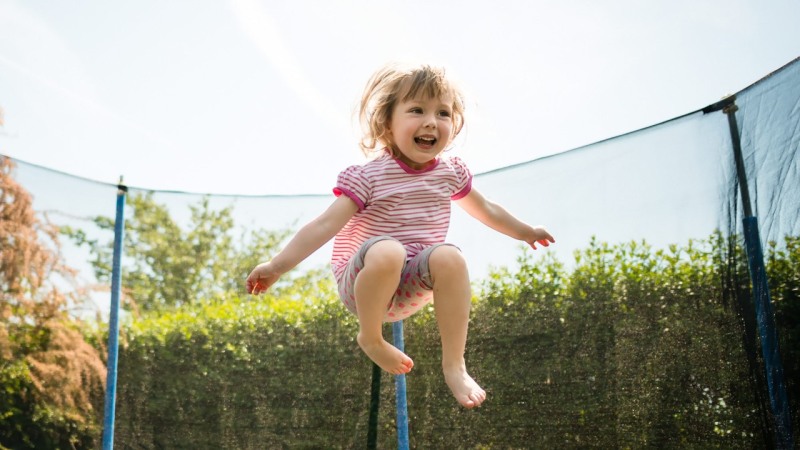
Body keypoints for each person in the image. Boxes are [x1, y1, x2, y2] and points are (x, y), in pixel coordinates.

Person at [246, 63, 554, 409]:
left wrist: (525, 231)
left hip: (410, 287)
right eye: (416, 110)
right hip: (362, 284)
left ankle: (454, 364)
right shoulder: (370, 176)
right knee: (388, 250)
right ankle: (371, 336)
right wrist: (277, 265)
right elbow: (324, 225)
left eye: (443, 113)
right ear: (387, 124)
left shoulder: (450, 173)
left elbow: (487, 209)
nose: (430, 121)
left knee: (449, 255)